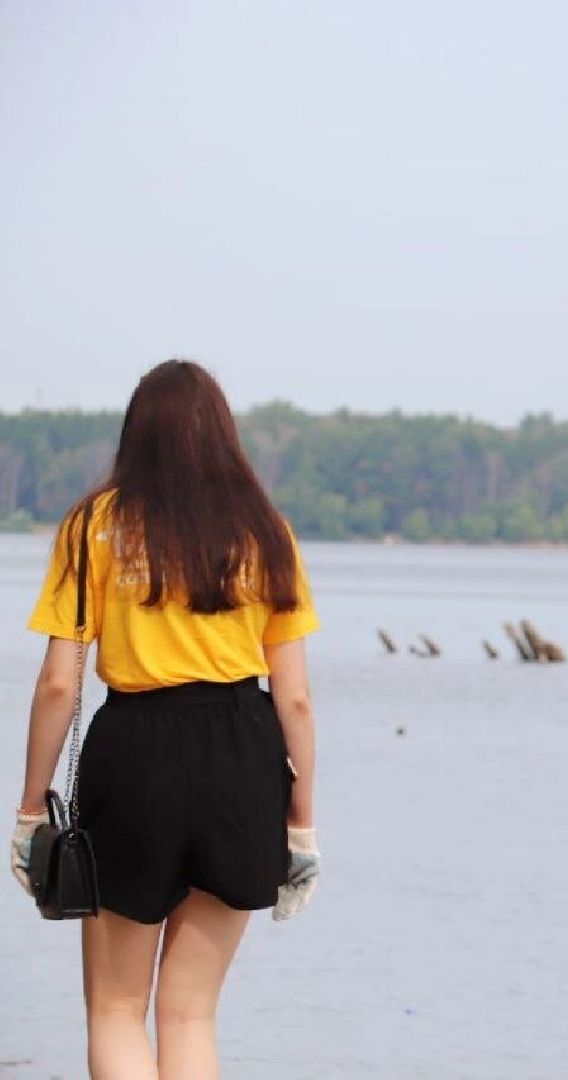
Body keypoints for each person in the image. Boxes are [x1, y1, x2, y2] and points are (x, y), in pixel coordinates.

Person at [9, 359, 322, 1079]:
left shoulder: (95, 526)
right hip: (244, 754)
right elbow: (295, 697)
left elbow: (61, 683)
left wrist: (31, 810)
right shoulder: (265, 532)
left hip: (134, 751)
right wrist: (300, 824)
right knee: (191, 1015)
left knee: (118, 1009)